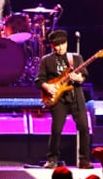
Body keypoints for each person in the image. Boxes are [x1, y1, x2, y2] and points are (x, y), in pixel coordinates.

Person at [38, 30, 91, 167]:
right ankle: (52, 159)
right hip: (59, 99)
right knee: (56, 129)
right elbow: (39, 79)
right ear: (52, 46)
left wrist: (79, 78)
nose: (60, 47)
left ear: (67, 43)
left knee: (84, 128)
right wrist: (47, 87)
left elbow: (84, 75)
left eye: (62, 44)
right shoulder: (47, 60)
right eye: (57, 45)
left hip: (75, 97)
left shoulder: (75, 58)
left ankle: (84, 160)